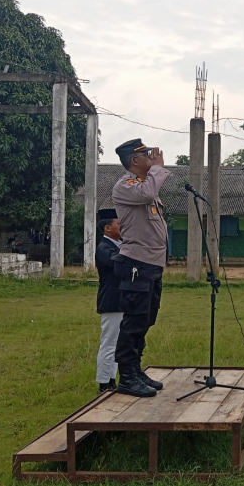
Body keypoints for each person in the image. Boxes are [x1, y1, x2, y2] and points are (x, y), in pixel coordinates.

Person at [111, 139, 171, 397]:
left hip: (152, 264)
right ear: (134, 160)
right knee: (134, 320)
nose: (152, 157)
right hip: (136, 263)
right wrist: (158, 169)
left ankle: (135, 369)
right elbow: (146, 194)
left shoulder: (146, 187)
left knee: (146, 319)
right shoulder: (126, 186)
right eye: (147, 155)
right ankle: (126, 376)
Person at [95, 208, 123, 393]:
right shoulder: (104, 248)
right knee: (109, 343)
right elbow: (119, 264)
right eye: (119, 223)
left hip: (122, 301)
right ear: (107, 228)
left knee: (119, 343)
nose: (123, 227)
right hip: (112, 301)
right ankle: (104, 383)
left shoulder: (118, 245)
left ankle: (112, 380)